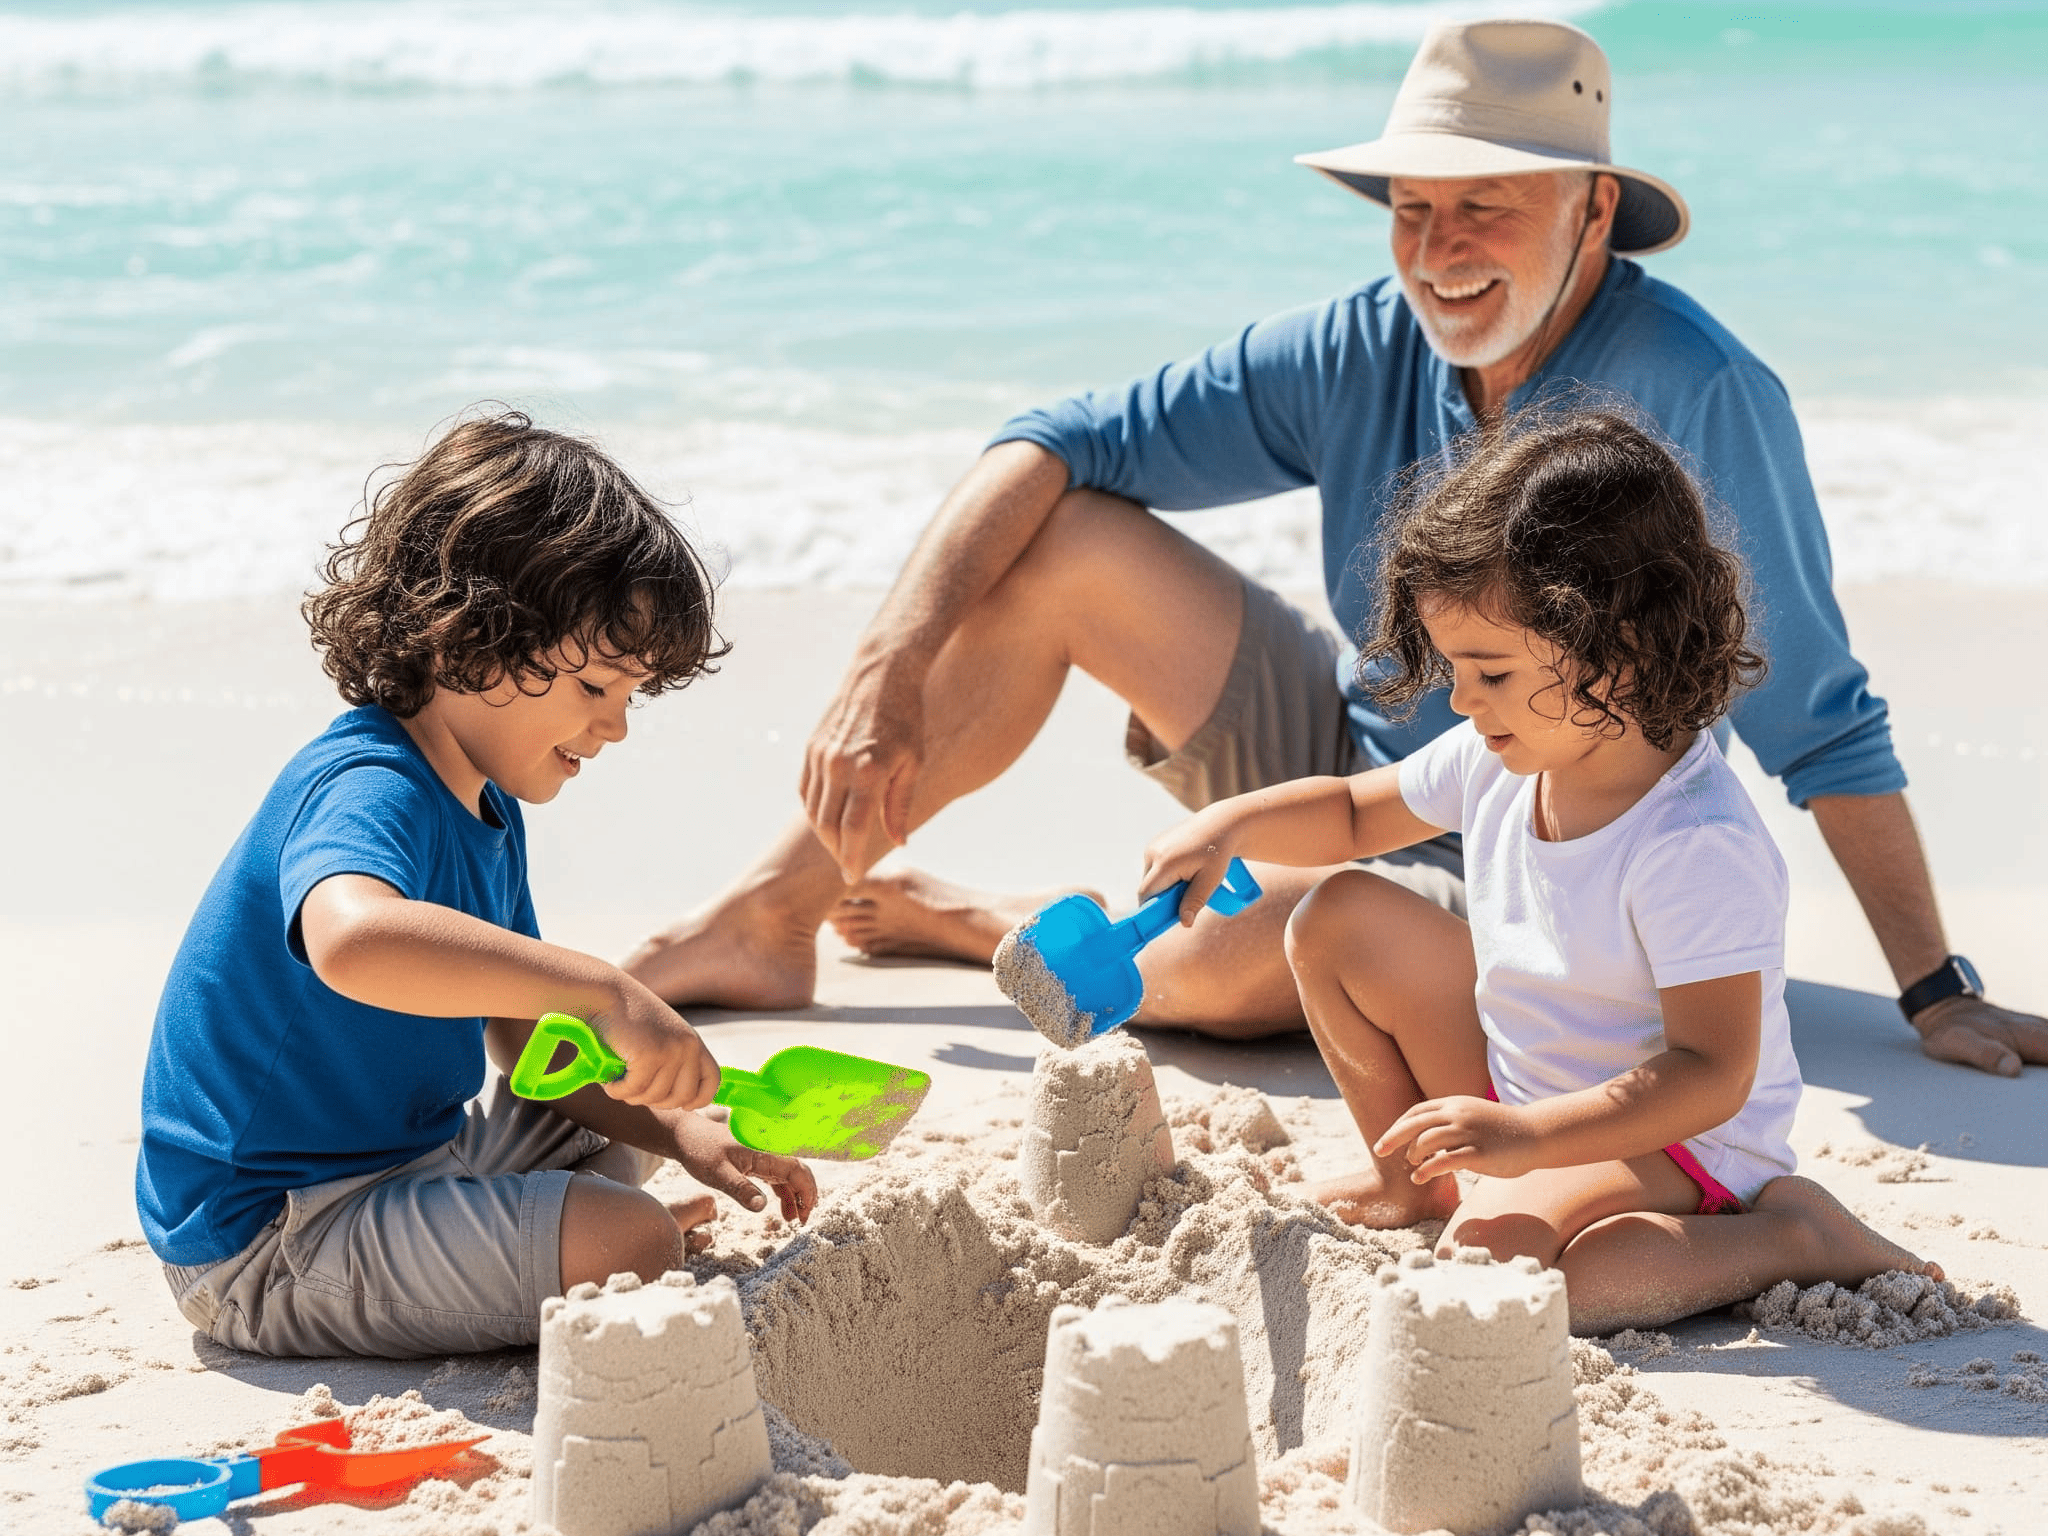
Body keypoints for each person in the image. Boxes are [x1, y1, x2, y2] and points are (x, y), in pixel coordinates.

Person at [625, 18, 2047, 1078]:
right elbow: (1053, 436)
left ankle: (980, 916)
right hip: (1343, 754)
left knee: (1260, 966)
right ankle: (772, 912)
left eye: (1487, 202)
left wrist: (1936, 988)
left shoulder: (1695, 396)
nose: (1439, 249)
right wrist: (886, 661)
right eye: (1414, 210)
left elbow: (1818, 716)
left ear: (1596, 209)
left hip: (1518, 822)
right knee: (1058, 538)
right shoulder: (1364, 340)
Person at [1140, 406, 1938, 1333]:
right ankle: (1417, 1182)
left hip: (1675, 1139)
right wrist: (1230, 824)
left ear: (1622, 644)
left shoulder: (1694, 844)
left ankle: (1795, 1236)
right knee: (1334, 917)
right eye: (1453, 669)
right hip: (1525, 1093)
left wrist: (1529, 1141)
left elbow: (1711, 1073)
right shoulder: (1501, 754)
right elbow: (1357, 813)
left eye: (1492, 672)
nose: (1463, 700)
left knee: (1543, 1280)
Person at [136, 411, 816, 1359]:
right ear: (472, 638)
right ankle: (563, 1243)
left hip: (406, 1162)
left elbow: (525, 1041)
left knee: (604, 1136)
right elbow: (352, 941)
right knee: (637, 1236)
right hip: (269, 1239)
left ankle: (552, 1228)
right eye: (595, 690)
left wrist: (681, 1130)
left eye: (629, 699)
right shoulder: (368, 783)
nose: (616, 728)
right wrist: (604, 986)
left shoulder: (489, 808)